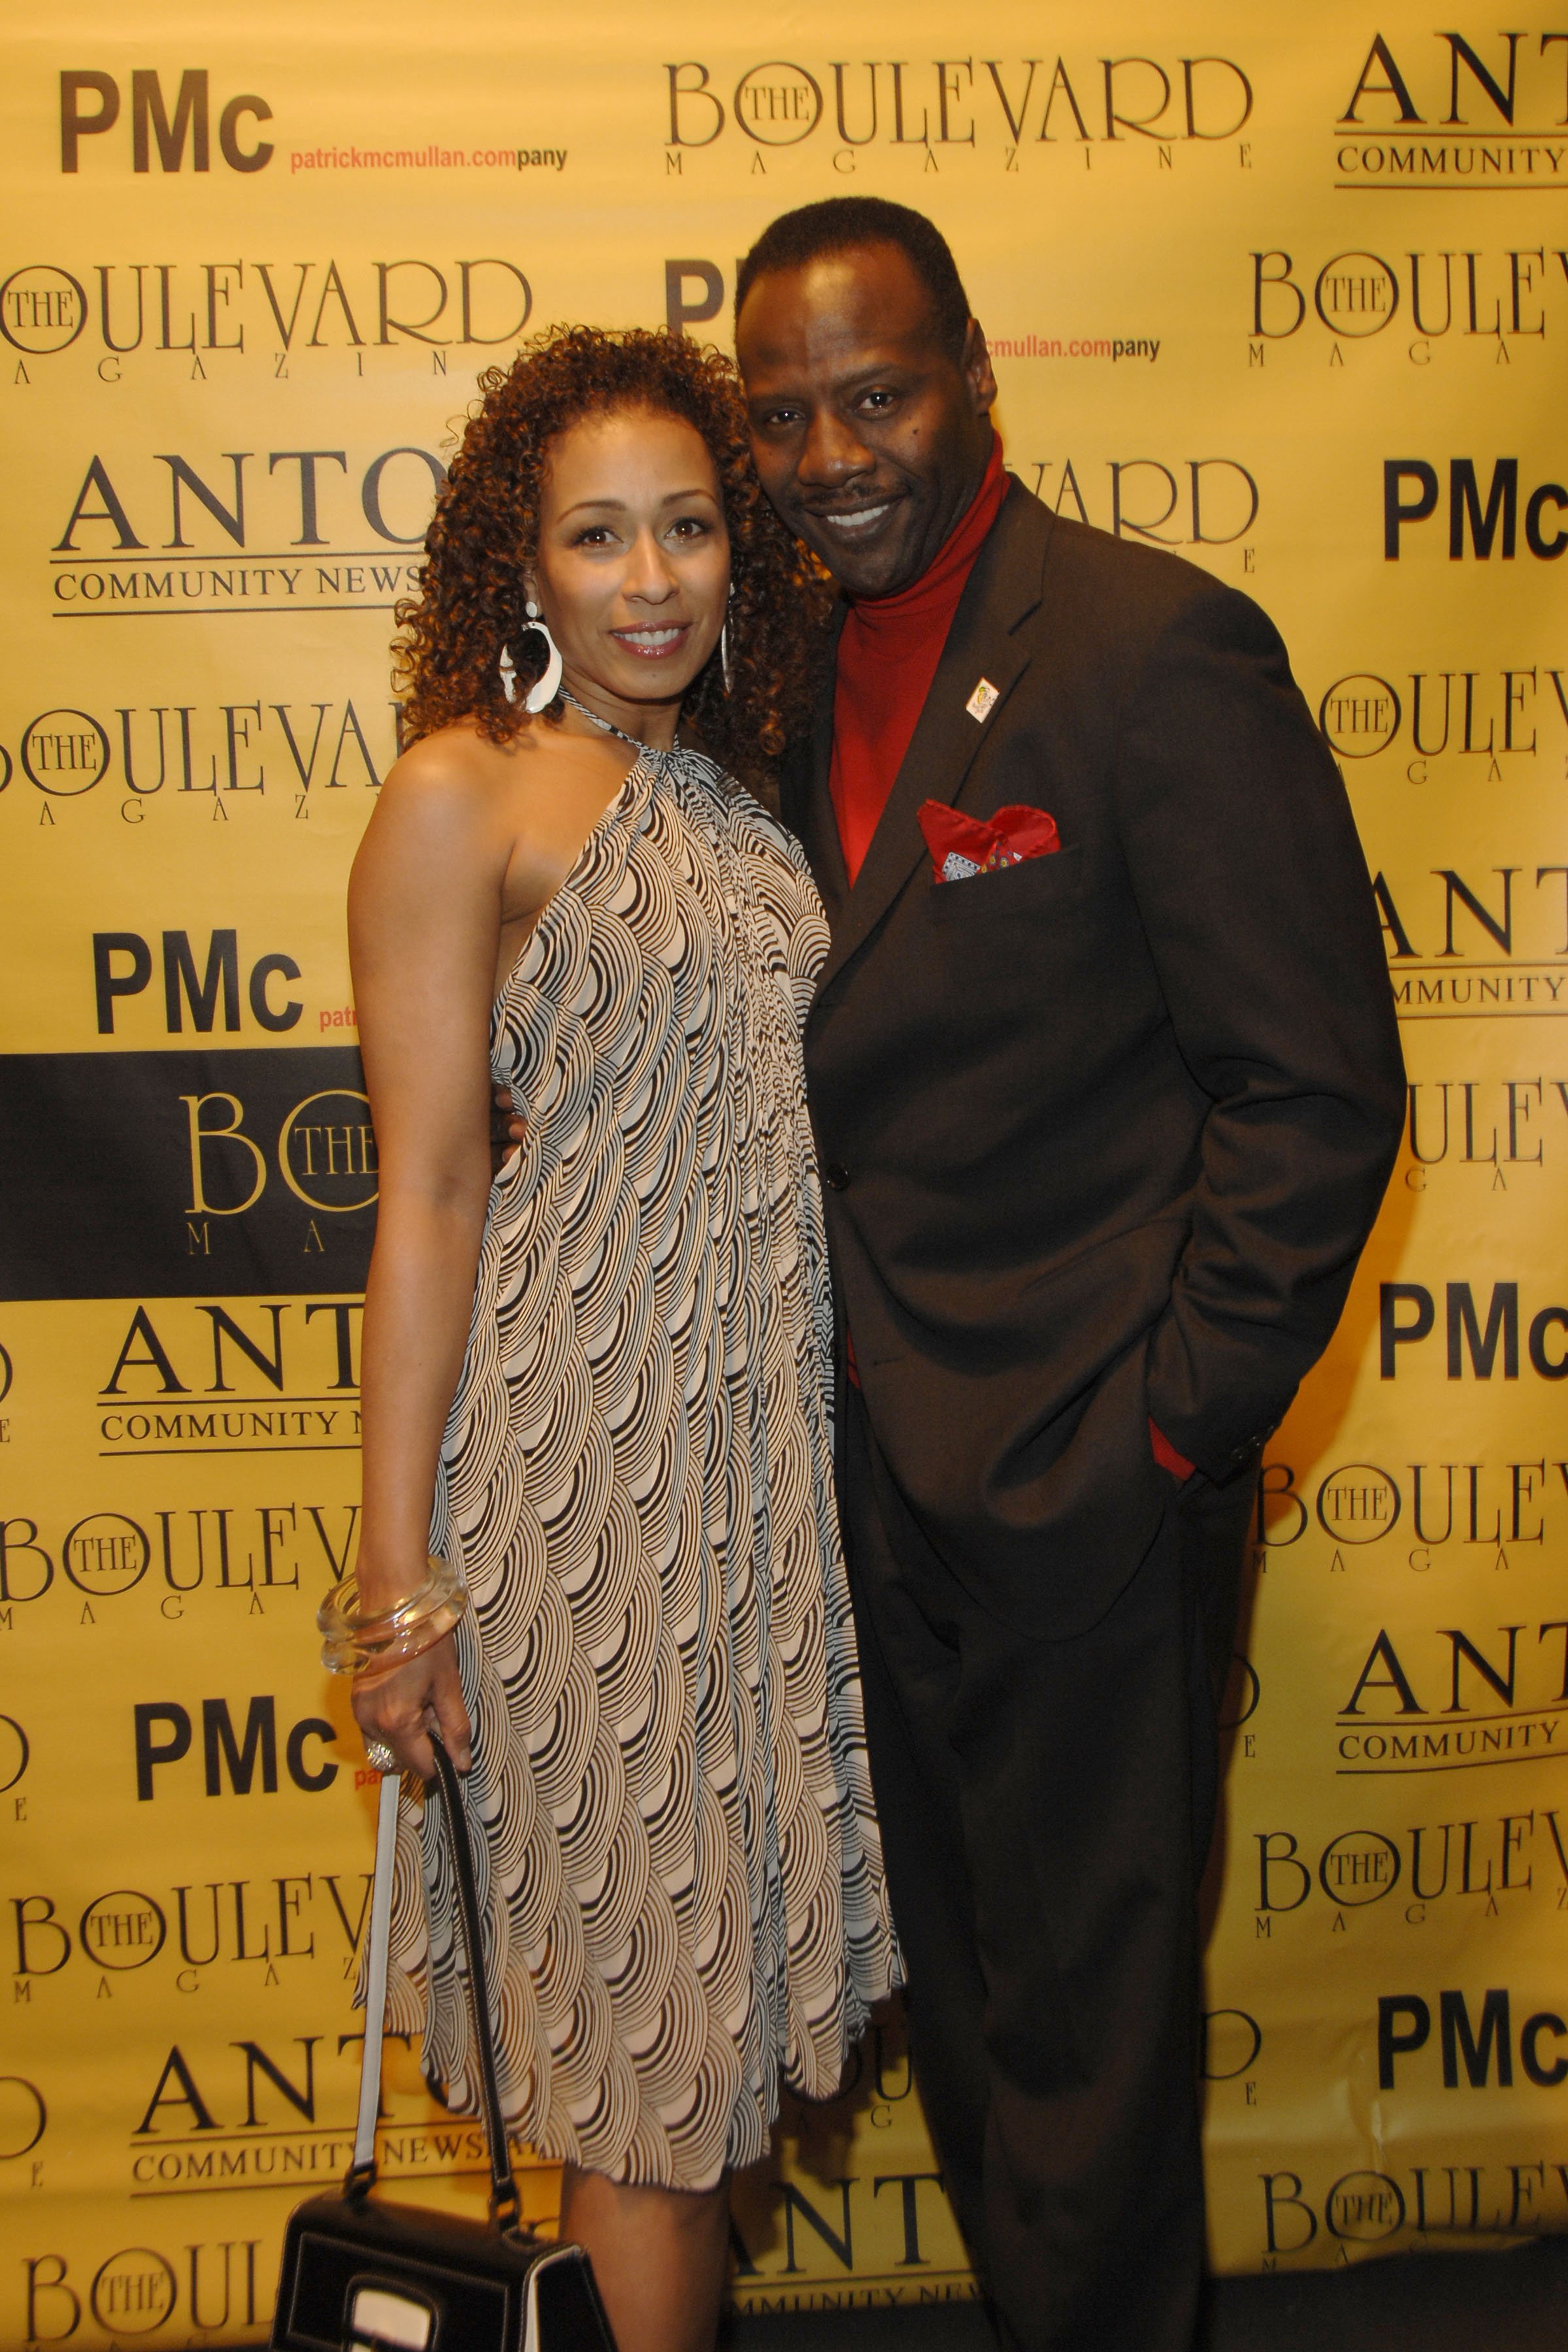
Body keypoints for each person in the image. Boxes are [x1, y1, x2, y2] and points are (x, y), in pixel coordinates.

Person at [724, 198, 1407, 2352]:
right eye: (783, 413)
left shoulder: (1150, 652)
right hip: (851, 1504)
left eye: (877, 389)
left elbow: (1314, 1089)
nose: (834, 448)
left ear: (978, 371)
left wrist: (1180, 1426)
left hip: (1089, 1496)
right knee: (981, 2041)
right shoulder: (761, 677)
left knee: (1091, 2081)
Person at [344, 324, 898, 2352]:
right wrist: (399, 1580)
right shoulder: (457, 794)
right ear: (525, 563)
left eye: (687, 528)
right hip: (586, 1489)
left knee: (694, 2068)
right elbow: (427, 1193)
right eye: (599, 536)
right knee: (653, 2097)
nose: (652, 577)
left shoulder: (739, 799)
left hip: (763, 1492)